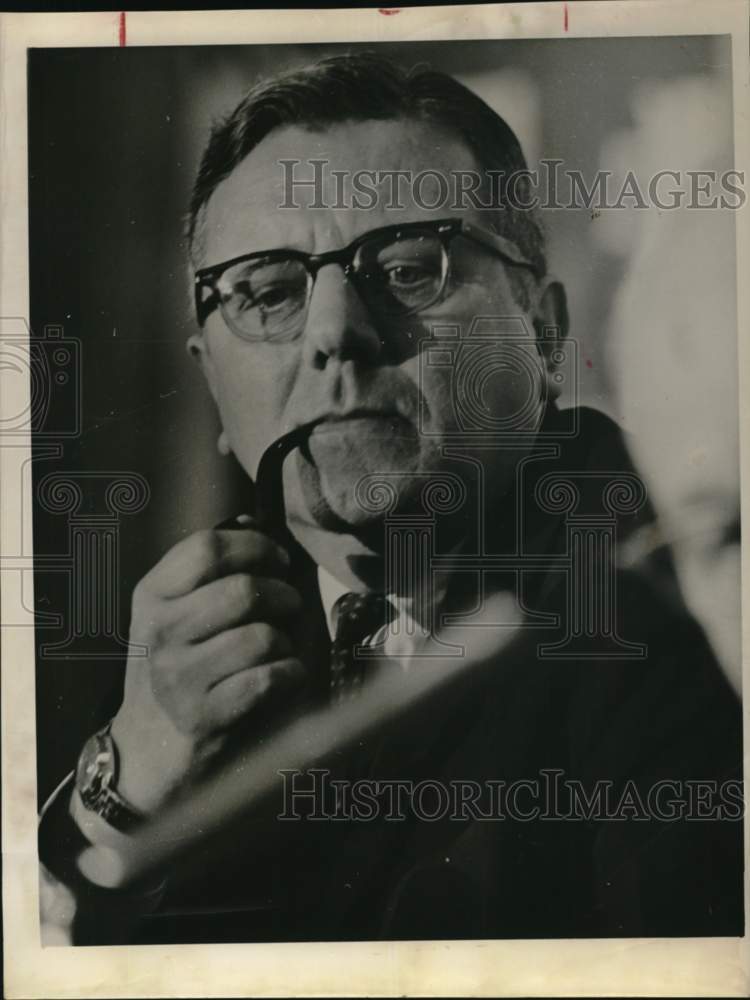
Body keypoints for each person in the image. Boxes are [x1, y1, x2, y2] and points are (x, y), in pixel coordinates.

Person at [39, 52, 743, 945]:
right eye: (268, 293)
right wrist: (123, 791)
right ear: (212, 382)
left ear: (545, 333)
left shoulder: (691, 604)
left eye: (411, 270)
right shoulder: (182, 654)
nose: (336, 335)